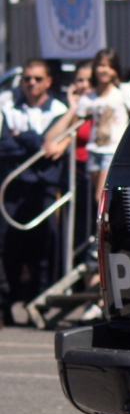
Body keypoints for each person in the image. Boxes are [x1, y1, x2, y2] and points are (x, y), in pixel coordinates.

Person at [0, 59, 67, 321]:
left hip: (43, 187)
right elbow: (5, 147)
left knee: (43, 246)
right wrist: (37, 143)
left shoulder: (59, 109)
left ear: (48, 81)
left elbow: (52, 151)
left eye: (37, 79)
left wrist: (23, 137)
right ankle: (10, 300)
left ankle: (39, 299)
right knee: (8, 245)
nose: (31, 83)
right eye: (27, 78)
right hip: (13, 188)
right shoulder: (8, 107)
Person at [42, 49, 130, 202]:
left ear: (116, 70)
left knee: (100, 196)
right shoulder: (88, 98)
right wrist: (62, 145)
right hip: (94, 150)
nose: (105, 70)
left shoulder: (123, 90)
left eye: (109, 66)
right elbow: (76, 126)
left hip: (112, 150)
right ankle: (103, 224)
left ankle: (105, 225)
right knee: (101, 198)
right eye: (101, 66)